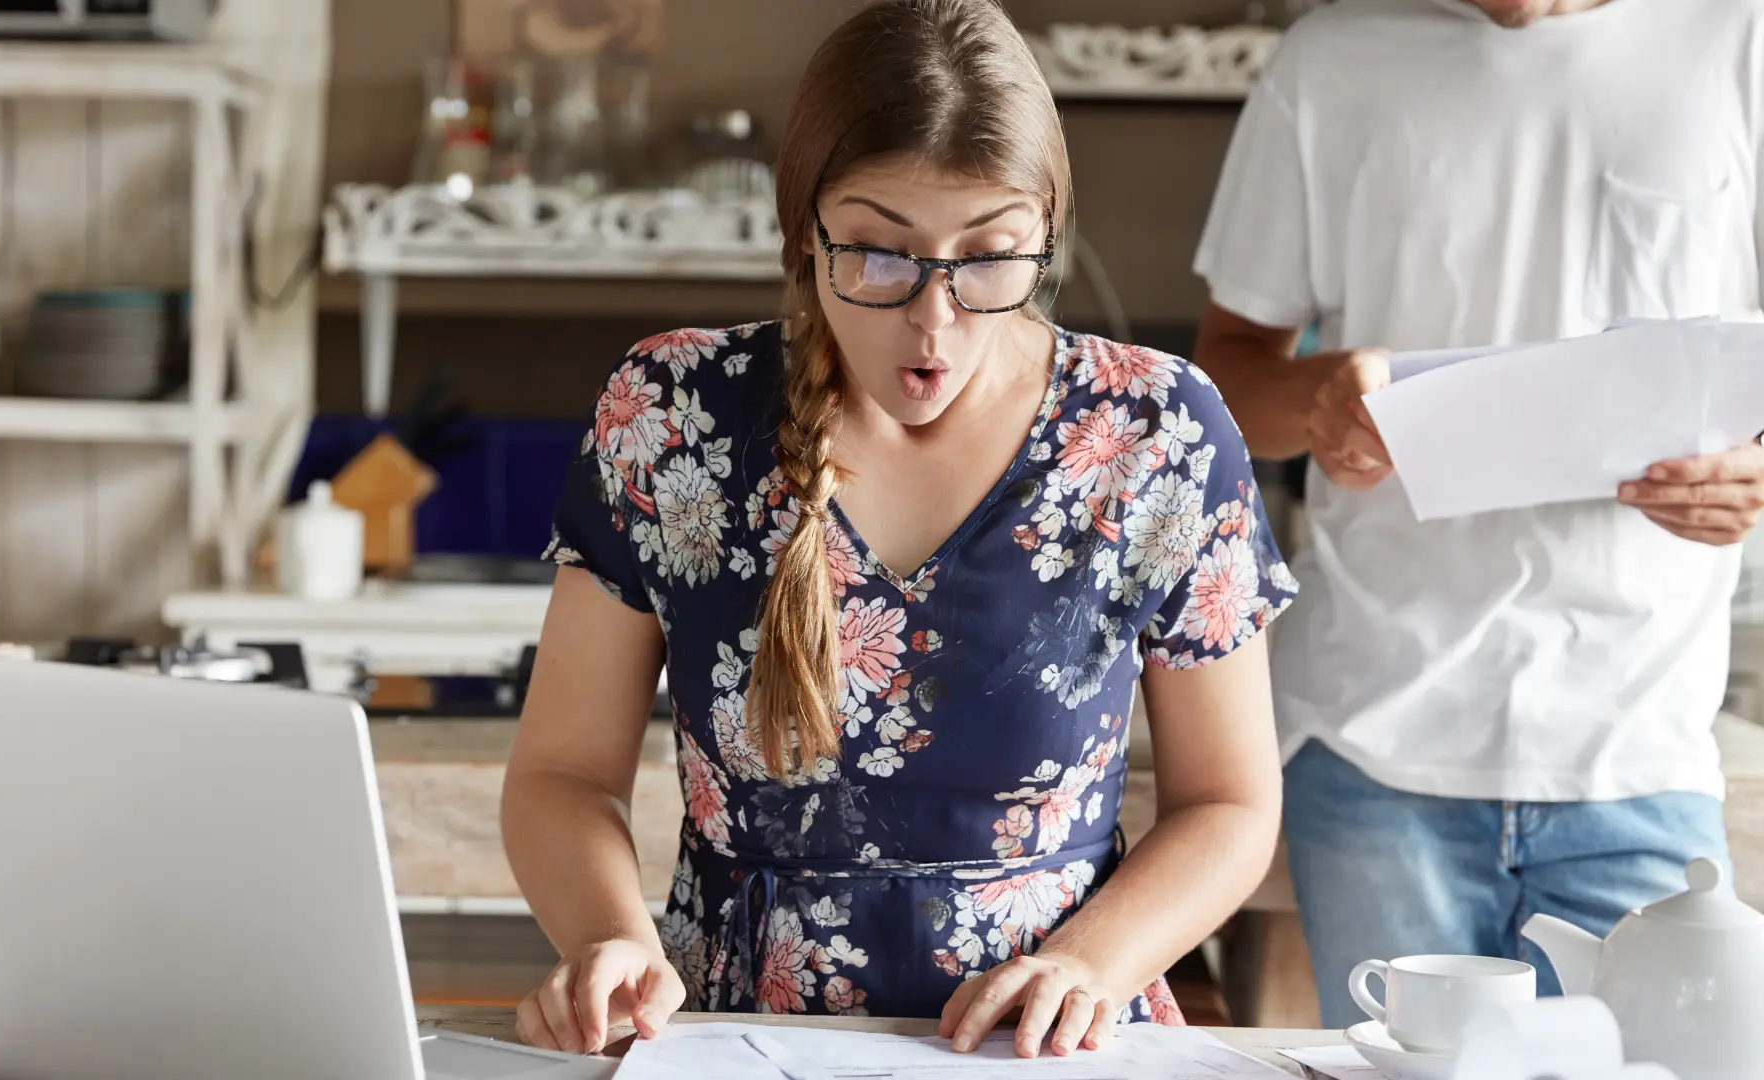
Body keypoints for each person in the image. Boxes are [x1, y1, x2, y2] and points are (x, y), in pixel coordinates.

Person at [502, 0, 1298, 1058]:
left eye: (988, 259)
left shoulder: (1158, 431)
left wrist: (1090, 962)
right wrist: (610, 940)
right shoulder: (669, 413)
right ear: (805, 232)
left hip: (1041, 1050)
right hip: (735, 1040)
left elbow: (1230, 804)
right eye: (879, 255)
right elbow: (561, 775)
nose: (934, 321)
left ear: (1045, 237)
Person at [1192, 0, 1764, 1027]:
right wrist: (1323, 401)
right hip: (1374, 746)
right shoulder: (1330, 58)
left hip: (1640, 743)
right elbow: (1227, 376)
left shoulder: (1739, 37)